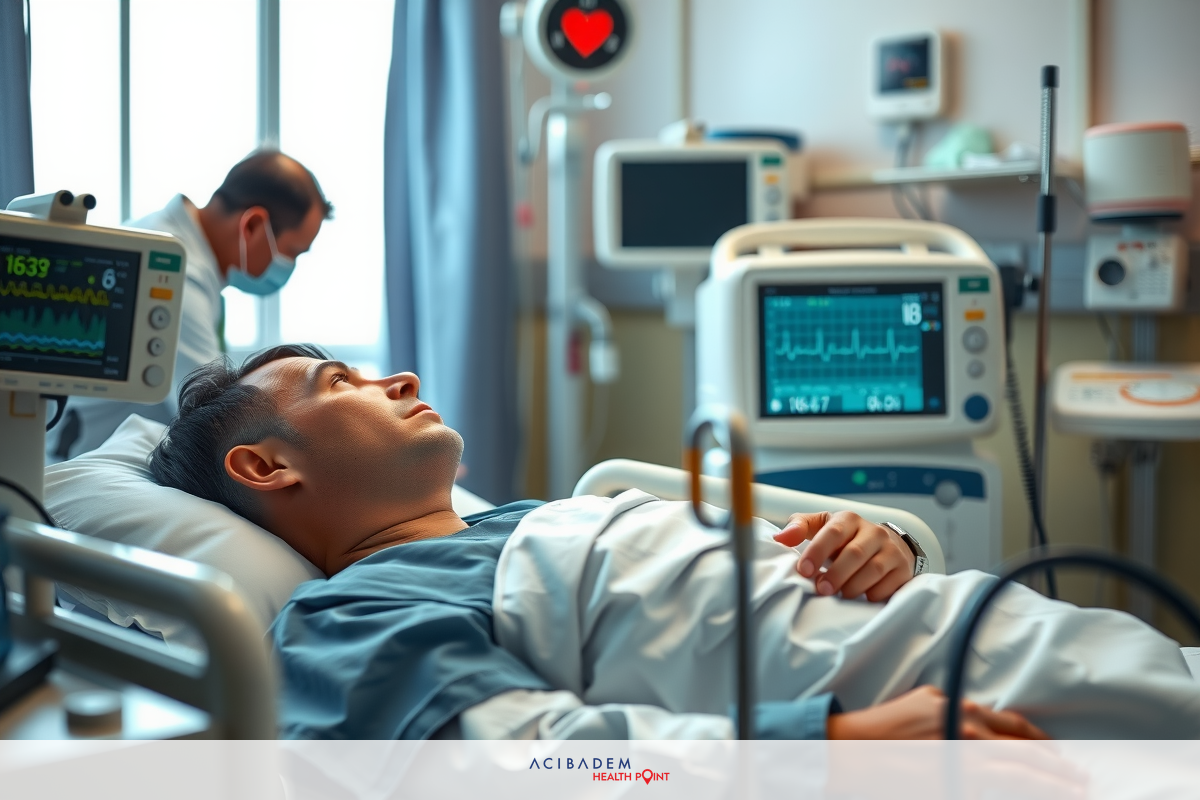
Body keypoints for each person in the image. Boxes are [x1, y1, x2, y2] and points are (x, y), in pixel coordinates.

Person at [148, 344, 1200, 740]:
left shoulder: (529, 520)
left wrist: (873, 546)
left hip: (996, 626)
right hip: (974, 705)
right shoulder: (353, 613)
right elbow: (546, 765)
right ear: (264, 467)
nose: (401, 379)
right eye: (342, 382)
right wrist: (837, 748)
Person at [48, 151, 333, 461]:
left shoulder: (174, 245)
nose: (289, 266)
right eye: (293, 252)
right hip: (83, 461)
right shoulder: (177, 273)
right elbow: (216, 420)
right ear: (252, 225)